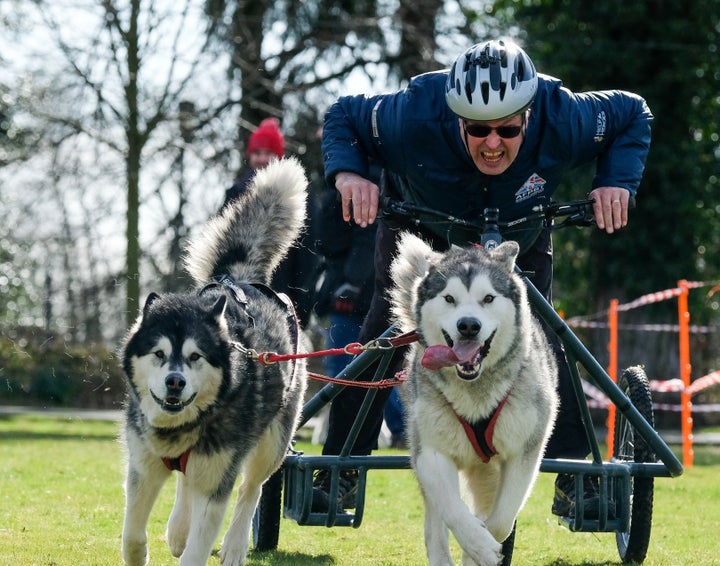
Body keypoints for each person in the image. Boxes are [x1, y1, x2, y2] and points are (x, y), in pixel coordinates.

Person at [313, 38, 653, 516]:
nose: (493, 144)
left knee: (546, 337)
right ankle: (340, 469)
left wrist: (616, 179)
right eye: (477, 130)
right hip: (421, 222)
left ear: (529, 116)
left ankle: (577, 478)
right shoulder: (412, 114)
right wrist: (348, 173)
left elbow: (634, 114)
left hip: (519, 227)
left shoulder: (565, 116)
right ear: (455, 117)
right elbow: (344, 115)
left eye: (507, 129)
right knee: (384, 334)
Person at [313, 183, 406, 452]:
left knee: (356, 371)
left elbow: (367, 240)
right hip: (343, 290)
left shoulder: (362, 190)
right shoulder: (338, 189)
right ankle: (390, 430)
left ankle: (392, 430)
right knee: (358, 370)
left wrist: (351, 282)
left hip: (354, 297)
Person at [222, 117, 320, 328]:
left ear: (279, 156)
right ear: (250, 155)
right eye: (257, 153)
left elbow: (307, 250)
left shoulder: (298, 196)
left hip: (282, 289)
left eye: (269, 153)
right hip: (240, 289)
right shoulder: (236, 194)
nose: (262, 159)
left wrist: (302, 300)